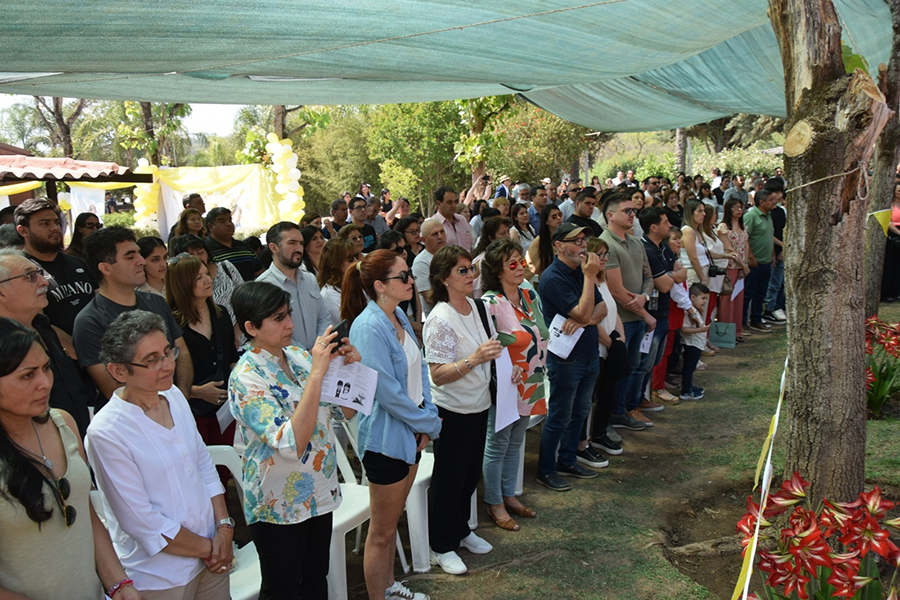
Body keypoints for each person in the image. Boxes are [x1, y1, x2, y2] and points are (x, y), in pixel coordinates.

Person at [85, 311, 232, 599]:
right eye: (152, 360)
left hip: (212, 556)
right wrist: (211, 548)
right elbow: (141, 521)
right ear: (119, 371)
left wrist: (224, 527)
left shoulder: (173, 395)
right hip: (160, 576)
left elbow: (202, 462)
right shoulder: (107, 431)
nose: (167, 365)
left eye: (168, 352)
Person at [228, 282, 358, 599]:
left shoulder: (298, 356)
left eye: (288, 314)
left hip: (318, 490)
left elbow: (345, 412)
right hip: (278, 502)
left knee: (315, 580)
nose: (289, 324)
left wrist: (347, 369)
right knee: (283, 589)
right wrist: (317, 374)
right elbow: (290, 443)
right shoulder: (246, 376)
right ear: (251, 328)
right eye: (278, 318)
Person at [0, 318, 144, 600]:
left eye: (46, 368)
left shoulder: (62, 424)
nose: (45, 383)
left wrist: (120, 585)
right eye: (27, 376)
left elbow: (84, 514)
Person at [342, 250, 442, 600]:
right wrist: (429, 421)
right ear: (380, 286)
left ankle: (388, 586)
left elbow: (419, 371)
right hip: (386, 439)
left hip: (412, 430)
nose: (411, 281)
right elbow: (388, 394)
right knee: (382, 532)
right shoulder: (368, 327)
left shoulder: (398, 314)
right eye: (403, 276)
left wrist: (426, 418)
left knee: (391, 521)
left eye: (409, 274)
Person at [423, 245, 507, 574]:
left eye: (471, 268)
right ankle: (441, 545)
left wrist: (505, 366)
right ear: (443, 278)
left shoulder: (476, 306)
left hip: (478, 404)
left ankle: (460, 530)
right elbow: (438, 375)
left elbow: (490, 349)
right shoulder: (440, 319)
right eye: (462, 270)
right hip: (453, 410)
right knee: (449, 480)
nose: (471, 274)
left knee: (469, 476)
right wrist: (474, 360)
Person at [75, 227, 192, 402]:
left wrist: (180, 399)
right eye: (130, 257)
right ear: (105, 268)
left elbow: (181, 352)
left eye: (139, 254)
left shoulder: (157, 302)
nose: (141, 261)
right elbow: (114, 389)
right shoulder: (89, 321)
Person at [480, 239, 546, 531]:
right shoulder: (490, 304)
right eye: (512, 264)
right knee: (498, 444)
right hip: (506, 382)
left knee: (516, 441)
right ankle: (494, 502)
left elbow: (541, 333)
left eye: (521, 261)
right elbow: (489, 346)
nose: (521, 267)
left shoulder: (529, 294)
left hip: (532, 378)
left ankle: (509, 495)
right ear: (498, 271)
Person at [535, 224, 605, 490]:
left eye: (584, 239)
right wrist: (589, 278)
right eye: (576, 241)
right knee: (560, 415)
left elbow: (601, 308)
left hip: (588, 353)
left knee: (580, 411)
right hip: (566, 359)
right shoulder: (554, 277)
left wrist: (584, 321)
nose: (583, 245)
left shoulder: (581, 271)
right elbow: (586, 312)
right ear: (559, 246)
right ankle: (546, 469)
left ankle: (567, 460)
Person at [165, 254, 238, 452]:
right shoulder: (171, 322)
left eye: (207, 274)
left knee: (225, 460)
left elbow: (232, 357)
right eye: (199, 277)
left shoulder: (221, 313)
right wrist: (195, 391)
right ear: (182, 284)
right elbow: (165, 372)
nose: (207, 280)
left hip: (224, 408)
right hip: (191, 408)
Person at [601, 194, 656, 430]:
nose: (633, 215)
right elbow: (615, 290)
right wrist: (645, 313)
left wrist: (644, 297)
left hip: (637, 314)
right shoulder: (606, 245)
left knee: (632, 367)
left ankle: (622, 410)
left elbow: (648, 277)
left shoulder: (636, 242)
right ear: (610, 215)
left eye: (634, 211)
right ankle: (613, 414)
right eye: (627, 211)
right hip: (620, 320)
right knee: (619, 371)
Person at [16, 198, 97, 336]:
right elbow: (36, 325)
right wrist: (74, 347)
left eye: (56, 222)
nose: (55, 228)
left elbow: (99, 300)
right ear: (23, 231)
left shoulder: (78, 263)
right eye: (44, 223)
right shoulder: (19, 272)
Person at [256, 222, 332, 351]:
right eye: (292, 243)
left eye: (301, 243)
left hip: (319, 354)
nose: (299, 249)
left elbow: (323, 316)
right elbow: (272, 332)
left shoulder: (310, 279)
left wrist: (319, 346)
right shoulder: (263, 287)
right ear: (274, 248)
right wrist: (305, 355)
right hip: (289, 359)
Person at [169, 235, 244, 337]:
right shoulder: (177, 320)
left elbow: (246, 300)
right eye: (199, 277)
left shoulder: (225, 267)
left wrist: (238, 329)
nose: (198, 258)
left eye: (200, 252)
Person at [743, 189, 779, 333]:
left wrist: (773, 254)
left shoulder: (768, 216)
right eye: (770, 200)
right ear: (762, 202)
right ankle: (743, 322)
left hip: (766, 261)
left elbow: (769, 236)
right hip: (754, 262)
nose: (774, 202)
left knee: (761, 293)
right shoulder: (751, 216)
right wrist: (751, 257)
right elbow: (745, 237)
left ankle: (756, 319)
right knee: (748, 293)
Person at [377, 230, 424, 337]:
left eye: (406, 247)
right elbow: (391, 312)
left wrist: (418, 325)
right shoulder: (384, 278)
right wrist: (417, 327)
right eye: (398, 250)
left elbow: (417, 301)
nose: (404, 252)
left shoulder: (408, 268)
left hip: (413, 321)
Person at [717, 199, 751, 342]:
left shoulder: (743, 226)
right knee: (727, 300)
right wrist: (744, 265)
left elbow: (746, 245)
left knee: (738, 299)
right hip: (730, 266)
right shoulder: (723, 227)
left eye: (740, 207)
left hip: (741, 267)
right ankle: (725, 332)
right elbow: (729, 249)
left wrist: (745, 264)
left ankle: (737, 331)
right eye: (735, 207)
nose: (739, 210)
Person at [205, 207, 263, 282]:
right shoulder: (205, 250)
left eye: (230, 220)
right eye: (222, 221)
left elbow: (259, 272)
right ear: (210, 227)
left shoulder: (244, 247)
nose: (228, 224)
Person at [680, 284, 711, 400]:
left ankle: (689, 386)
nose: (705, 302)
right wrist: (701, 330)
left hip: (697, 344)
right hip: (691, 344)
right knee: (688, 368)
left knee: (691, 368)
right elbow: (684, 329)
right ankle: (686, 391)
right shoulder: (687, 312)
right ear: (692, 297)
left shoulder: (694, 310)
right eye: (703, 298)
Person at [317, 238, 358, 324]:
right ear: (335, 262)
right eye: (350, 258)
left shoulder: (355, 282)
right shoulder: (328, 294)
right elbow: (351, 322)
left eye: (355, 256)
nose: (356, 261)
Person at [411, 219, 446, 317]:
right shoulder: (421, 262)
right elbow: (429, 298)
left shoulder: (451, 254)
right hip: (439, 315)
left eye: (442, 232)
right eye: (435, 234)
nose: (440, 236)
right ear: (423, 240)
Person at [470, 216, 511, 298]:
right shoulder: (482, 259)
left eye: (508, 232)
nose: (507, 236)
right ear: (491, 238)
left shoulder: (506, 255)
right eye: (502, 233)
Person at [527, 204, 563, 278]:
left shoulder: (566, 237)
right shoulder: (539, 241)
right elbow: (530, 268)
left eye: (560, 215)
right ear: (546, 221)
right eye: (554, 216)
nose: (559, 218)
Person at [433, 186, 473, 251]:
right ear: (438, 203)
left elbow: (470, 246)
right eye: (449, 202)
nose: (454, 205)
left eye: (455, 202)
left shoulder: (462, 220)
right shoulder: (433, 224)